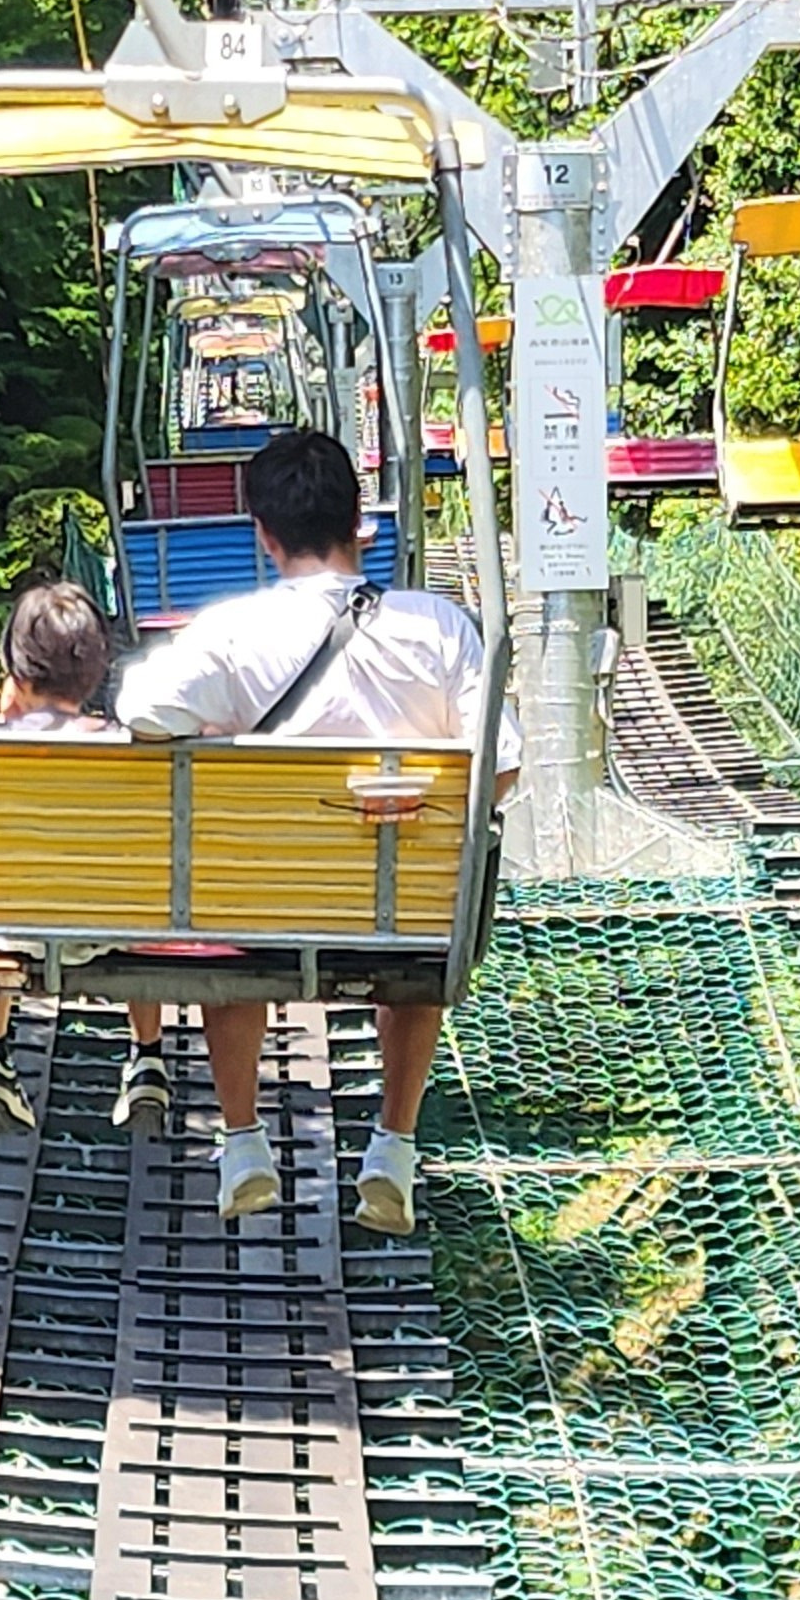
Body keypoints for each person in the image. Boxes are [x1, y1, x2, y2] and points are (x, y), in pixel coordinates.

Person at [115, 429, 518, 1234]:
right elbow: (499, 764)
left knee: (228, 909)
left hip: (268, 910)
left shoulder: (231, 632)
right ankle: (392, 1145)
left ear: (264, 534)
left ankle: (242, 1139)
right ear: (359, 523)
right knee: (423, 906)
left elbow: (140, 712)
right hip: (399, 917)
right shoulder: (440, 627)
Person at [0, 580, 172, 1141]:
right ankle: (147, 1056)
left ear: (14, 667)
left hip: (10, 925)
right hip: (113, 926)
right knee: (141, 883)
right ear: (97, 669)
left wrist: (2, 720)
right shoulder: (132, 751)